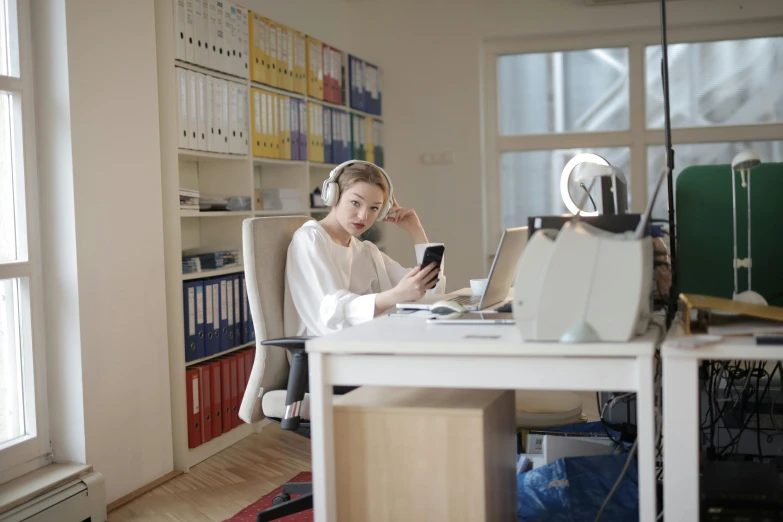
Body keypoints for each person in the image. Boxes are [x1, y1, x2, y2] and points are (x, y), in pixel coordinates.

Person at [284, 160, 446, 337]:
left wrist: (415, 229)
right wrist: (396, 295)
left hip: (364, 342)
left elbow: (429, 291)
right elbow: (331, 313)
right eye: (355, 202)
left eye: (374, 208)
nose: (363, 216)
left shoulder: (365, 251)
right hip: (324, 352)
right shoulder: (310, 239)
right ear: (333, 195)